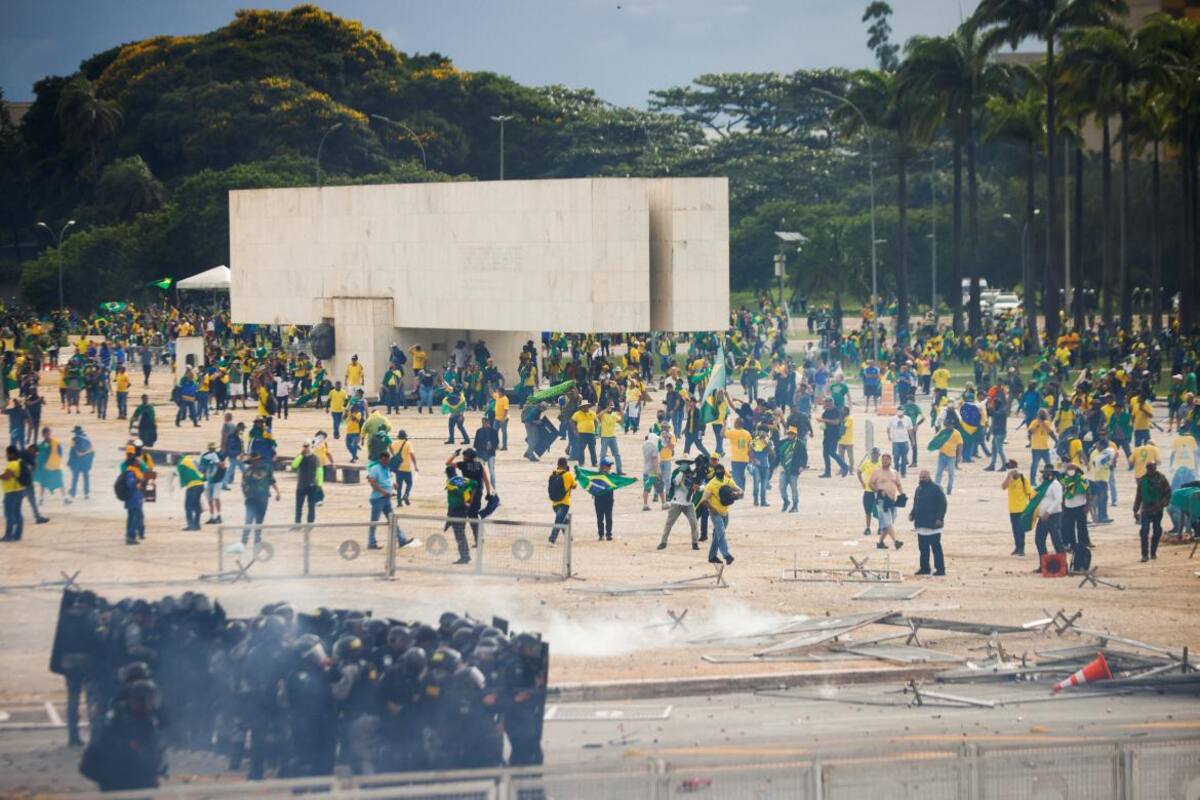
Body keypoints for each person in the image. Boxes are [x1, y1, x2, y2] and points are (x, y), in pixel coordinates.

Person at [701, 463, 741, 566]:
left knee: (718, 535)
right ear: (715, 472)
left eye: (721, 470)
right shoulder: (710, 485)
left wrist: (736, 495)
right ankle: (727, 555)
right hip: (715, 513)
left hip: (725, 512)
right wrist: (712, 509)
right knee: (721, 532)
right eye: (718, 471)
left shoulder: (727, 481)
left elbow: (740, 491)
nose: (720, 472)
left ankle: (712, 556)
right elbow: (704, 500)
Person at [910, 469, 947, 576]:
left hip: (933, 524)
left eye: (924, 477)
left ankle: (940, 569)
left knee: (936, 548)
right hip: (921, 524)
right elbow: (915, 504)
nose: (922, 479)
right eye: (921, 477)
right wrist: (912, 514)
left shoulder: (936, 488)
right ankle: (925, 568)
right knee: (923, 548)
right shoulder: (918, 489)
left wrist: (940, 518)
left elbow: (943, 504)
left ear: (929, 477)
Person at [1133, 461, 1171, 563]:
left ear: (1155, 468)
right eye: (1148, 468)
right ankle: (1144, 555)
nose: (1150, 470)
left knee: (1157, 531)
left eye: (1152, 468)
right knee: (1144, 531)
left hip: (1158, 510)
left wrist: (1163, 503)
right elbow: (1138, 496)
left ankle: (1153, 552)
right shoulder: (1142, 480)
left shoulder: (1162, 479)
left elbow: (1168, 492)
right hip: (1145, 510)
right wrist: (1135, 510)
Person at [869, 453, 905, 550]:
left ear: (890, 461)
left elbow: (898, 484)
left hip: (893, 501)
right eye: (883, 459)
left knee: (889, 523)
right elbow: (870, 484)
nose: (885, 461)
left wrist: (902, 494)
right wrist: (878, 490)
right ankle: (896, 542)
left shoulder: (894, 472)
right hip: (882, 501)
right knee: (888, 522)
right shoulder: (877, 472)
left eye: (887, 459)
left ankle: (880, 543)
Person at [241, 455, 279, 546]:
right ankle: (244, 540)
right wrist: (246, 495)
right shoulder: (247, 471)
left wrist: (278, 492)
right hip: (251, 499)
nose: (255, 462)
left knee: (259, 520)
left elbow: (272, 481)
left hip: (263, 499)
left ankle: (257, 540)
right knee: (248, 520)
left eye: (257, 460)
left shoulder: (266, 469)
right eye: (254, 461)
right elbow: (243, 485)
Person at [1033, 465, 1065, 564]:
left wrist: (1048, 512)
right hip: (1042, 517)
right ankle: (1043, 564)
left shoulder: (1055, 484)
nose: (1045, 474)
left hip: (1054, 515)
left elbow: (1058, 499)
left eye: (1048, 473)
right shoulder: (1043, 484)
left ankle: (1063, 565)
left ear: (1052, 473)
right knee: (1039, 540)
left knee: (1056, 540)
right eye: (1044, 473)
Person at [1001, 459, 1033, 556]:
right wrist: (1008, 476)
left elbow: (1029, 493)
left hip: (1022, 509)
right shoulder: (1009, 480)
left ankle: (1021, 548)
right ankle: (1017, 547)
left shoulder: (1023, 479)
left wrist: (1030, 509)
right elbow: (1003, 487)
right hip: (1012, 509)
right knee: (1015, 529)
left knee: (1021, 529)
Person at [35, 427, 69, 506]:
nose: (48, 435)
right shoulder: (40, 445)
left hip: (55, 467)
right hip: (46, 468)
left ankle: (65, 498)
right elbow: (38, 457)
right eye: (46, 434)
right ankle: (41, 499)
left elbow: (60, 453)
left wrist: (56, 461)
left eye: (49, 433)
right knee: (43, 484)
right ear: (43, 435)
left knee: (60, 483)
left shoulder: (56, 443)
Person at [121, 449, 147, 545]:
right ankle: (131, 537)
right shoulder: (131, 473)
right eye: (137, 461)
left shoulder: (134, 472)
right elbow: (132, 484)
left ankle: (131, 535)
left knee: (132, 517)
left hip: (135, 499)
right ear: (134, 463)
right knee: (135, 518)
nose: (139, 462)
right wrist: (139, 482)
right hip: (133, 500)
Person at [818, 399, 850, 478]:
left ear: (830, 403)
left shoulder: (836, 411)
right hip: (827, 435)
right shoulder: (825, 413)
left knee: (832, 452)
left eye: (826, 404)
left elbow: (836, 422)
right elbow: (824, 423)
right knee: (825, 454)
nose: (824, 405)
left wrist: (824, 420)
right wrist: (822, 424)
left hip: (834, 435)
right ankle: (827, 472)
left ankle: (845, 466)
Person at [292, 441, 321, 527]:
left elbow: (319, 471)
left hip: (312, 485)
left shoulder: (315, 458)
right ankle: (297, 524)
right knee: (298, 507)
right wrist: (301, 455)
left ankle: (310, 524)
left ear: (310, 446)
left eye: (307, 446)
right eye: (304, 446)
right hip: (301, 485)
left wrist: (319, 484)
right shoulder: (300, 457)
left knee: (311, 506)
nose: (305, 448)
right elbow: (294, 465)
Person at [547, 457, 576, 544]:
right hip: (564, 503)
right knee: (559, 521)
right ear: (565, 465)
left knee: (564, 520)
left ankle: (568, 538)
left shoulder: (552, 474)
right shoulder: (568, 475)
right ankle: (552, 538)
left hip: (554, 503)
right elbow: (574, 486)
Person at [590, 458, 617, 541]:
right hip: (599, 500)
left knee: (608, 517)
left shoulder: (612, 476)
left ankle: (609, 534)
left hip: (608, 500)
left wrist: (631, 480)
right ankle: (601, 534)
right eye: (608, 465)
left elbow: (620, 481)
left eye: (610, 465)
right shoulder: (596, 477)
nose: (610, 467)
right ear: (603, 467)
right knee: (600, 518)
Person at [857, 447, 882, 538]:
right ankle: (868, 528)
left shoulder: (881, 465)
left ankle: (880, 527)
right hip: (868, 491)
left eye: (876, 454)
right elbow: (859, 472)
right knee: (868, 511)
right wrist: (862, 483)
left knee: (879, 511)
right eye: (873, 454)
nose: (874, 456)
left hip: (878, 491)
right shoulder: (866, 463)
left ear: (879, 455)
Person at [389, 431, 418, 507]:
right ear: (405, 436)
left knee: (399, 486)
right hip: (406, 468)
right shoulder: (408, 444)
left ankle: (399, 502)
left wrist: (393, 454)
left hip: (398, 468)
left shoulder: (394, 443)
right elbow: (412, 455)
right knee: (409, 483)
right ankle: (406, 494)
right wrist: (415, 465)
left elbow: (390, 447)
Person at [934, 423, 964, 495]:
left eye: (949, 425)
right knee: (939, 472)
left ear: (952, 425)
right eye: (947, 425)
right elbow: (935, 439)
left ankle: (949, 490)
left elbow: (960, 444)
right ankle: (936, 489)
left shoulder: (957, 433)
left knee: (951, 473)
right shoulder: (942, 431)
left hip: (952, 456)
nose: (948, 427)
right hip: (942, 455)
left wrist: (959, 456)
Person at [199, 442, 225, 524]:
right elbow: (201, 468)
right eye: (211, 449)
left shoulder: (218, 456)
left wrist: (216, 461)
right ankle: (213, 517)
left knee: (216, 497)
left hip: (216, 480)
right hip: (208, 480)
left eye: (213, 449)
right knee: (210, 499)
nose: (212, 450)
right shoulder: (204, 457)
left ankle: (218, 516)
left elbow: (223, 466)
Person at [1, 446, 24, 541]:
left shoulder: (12, 464)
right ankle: (17, 535)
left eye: (7, 453)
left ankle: (8, 535)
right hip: (19, 491)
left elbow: (6, 476)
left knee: (9, 514)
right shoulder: (19, 462)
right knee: (17, 513)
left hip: (12, 492)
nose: (6, 455)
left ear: (12, 454)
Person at [67, 425, 94, 501]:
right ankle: (86, 494)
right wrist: (85, 454)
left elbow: (72, 451)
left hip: (76, 462)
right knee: (86, 477)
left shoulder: (74, 439)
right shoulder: (87, 438)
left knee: (75, 478)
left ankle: (73, 493)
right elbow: (92, 450)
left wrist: (70, 462)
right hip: (85, 461)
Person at [724, 418, 752, 491]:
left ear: (736, 424)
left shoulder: (733, 432)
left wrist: (724, 425)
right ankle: (742, 491)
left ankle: (738, 491)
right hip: (745, 458)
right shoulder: (747, 433)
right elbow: (750, 446)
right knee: (742, 475)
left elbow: (722, 434)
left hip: (736, 458)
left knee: (736, 476)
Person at [473, 416, 500, 489]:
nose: (484, 424)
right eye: (483, 423)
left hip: (487, 453)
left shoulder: (492, 431)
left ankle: (492, 487)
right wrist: (486, 446)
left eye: (485, 423)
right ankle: (484, 486)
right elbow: (475, 444)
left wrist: (490, 446)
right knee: (485, 471)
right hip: (483, 453)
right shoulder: (480, 431)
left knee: (490, 471)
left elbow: (496, 442)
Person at [597, 403, 623, 474]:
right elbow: (598, 416)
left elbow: (621, 422)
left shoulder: (614, 414)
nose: (611, 406)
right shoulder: (603, 414)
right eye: (609, 405)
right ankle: (601, 469)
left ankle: (619, 470)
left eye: (612, 405)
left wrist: (621, 412)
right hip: (605, 436)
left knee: (617, 454)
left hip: (612, 436)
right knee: (603, 454)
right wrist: (606, 409)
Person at [641, 431, 664, 511]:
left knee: (646, 488)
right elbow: (655, 460)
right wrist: (658, 471)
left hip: (646, 470)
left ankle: (645, 504)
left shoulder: (644, 446)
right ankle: (664, 503)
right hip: (653, 472)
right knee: (660, 487)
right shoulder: (654, 447)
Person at [571, 401, 598, 466]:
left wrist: (595, 430)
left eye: (586, 406)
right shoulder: (577, 414)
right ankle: (581, 463)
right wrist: (575, 431)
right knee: (581, 449)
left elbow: (595, 421)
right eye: (584, 406)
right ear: (581, 407)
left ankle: (594, 463)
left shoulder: (592, 413)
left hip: (591, 434)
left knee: (592, 449)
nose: (586, 407)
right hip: (581, 434)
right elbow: (572, 422)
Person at [887, 408, 913, 478]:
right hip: (895, 441)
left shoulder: (908, 419)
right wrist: (889, 436)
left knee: (904, 458)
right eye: (898, 411)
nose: (900, 412)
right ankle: (896, 472)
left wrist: (912, 440)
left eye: (901, 411)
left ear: (904, 411)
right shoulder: (893, 419)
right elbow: (888, 428)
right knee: (896, 457)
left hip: (904, 441)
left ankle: (903, 473)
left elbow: (910, 430)